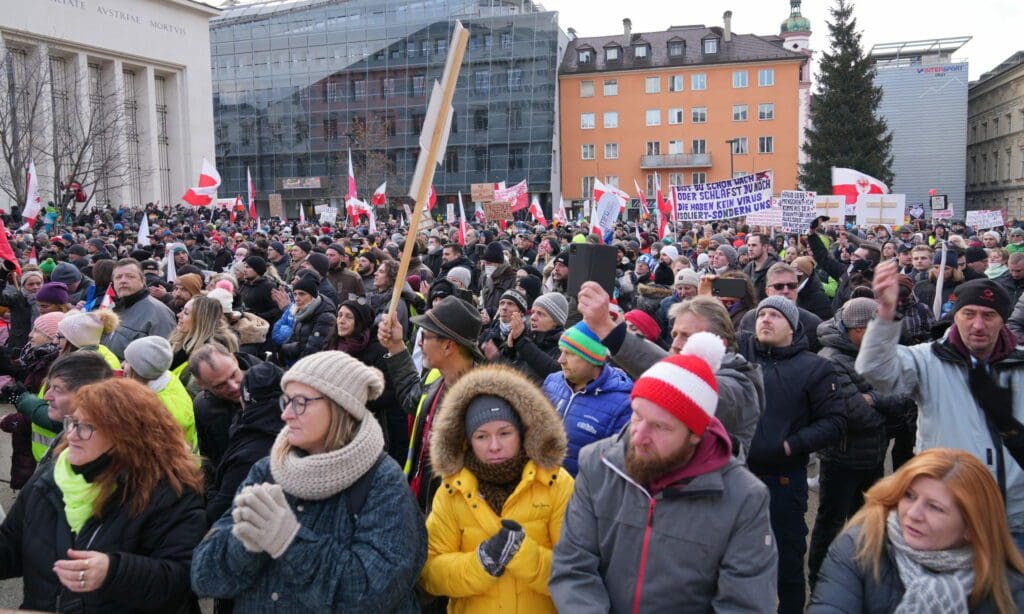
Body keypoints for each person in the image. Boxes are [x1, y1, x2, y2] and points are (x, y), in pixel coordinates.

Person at [550, 333, 777, 612]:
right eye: (637, 415)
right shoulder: (597, 464)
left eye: (660, 426)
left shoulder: (745, 498)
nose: (638, 436)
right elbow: (573, 566)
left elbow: (745, 604)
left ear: (696, 434)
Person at [190, 351, 427, 612]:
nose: (285, 415)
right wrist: (244, 543)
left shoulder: (382, 483)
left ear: (340, 407)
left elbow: (373, 594)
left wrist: (289, 541)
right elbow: (205, 577)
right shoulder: (267, 470)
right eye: (286, 401)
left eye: (300, 402)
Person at [0, 378, 206, 612]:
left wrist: (113, 571)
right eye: (72, 422)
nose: (72, 435)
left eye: (86, 427)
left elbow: (185, 579)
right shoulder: (49, 479)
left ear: (126, 436)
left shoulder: (170, 491)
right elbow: (11, 548)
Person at [857, 263, 1024, 548]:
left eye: (989, 315)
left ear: (1003, 320)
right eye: (969, 314)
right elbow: (875, 370)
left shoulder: (1019, 364)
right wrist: (885, 317)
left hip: (1014, 521)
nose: (978, 325)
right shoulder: (929, 360)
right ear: (955, 315)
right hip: (948, 513)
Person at [419, 364, 573, 613]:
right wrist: (480, 564)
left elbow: (575, 571)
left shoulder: (556, 483)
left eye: (504, 433)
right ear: (468, 440)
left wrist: (525, 556)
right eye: (482, 436)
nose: (494, 446)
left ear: (521, 432)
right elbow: (430, 573)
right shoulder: (452, 489)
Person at [809, 448, 1024, 613]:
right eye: (909, 496)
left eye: (935, 507)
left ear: (971, 526)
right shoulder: (859, 547)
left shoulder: (1008, 586)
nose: (913, 514)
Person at [740, 295, 846, 614]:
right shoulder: (740, 356)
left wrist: (792, 444)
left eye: (775, 315)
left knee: (786, 562)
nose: (765, 319)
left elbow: (835, 421)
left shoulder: (815, 367)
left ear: (792, 327)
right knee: (737, 558)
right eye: (762, 314)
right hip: (737, 476)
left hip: (783, 482)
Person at [579, 282, 764, 459]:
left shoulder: (741, 386)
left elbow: (694, 385)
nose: (675, 344)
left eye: (686, 336)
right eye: (675, 334)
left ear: (718, 343)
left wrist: (611, 332)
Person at [808, 297, 915, 588]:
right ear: (856, 330)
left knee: (869, 523)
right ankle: (819, 582)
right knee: (831, 524)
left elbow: (904, 396)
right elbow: (856, 415)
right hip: (841, 460)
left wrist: (875, 398)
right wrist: (886, 408)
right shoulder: (831, 359)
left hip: (873, 456)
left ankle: (863, 582)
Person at [379, 295, 483, 511]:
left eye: (425, 336)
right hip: (419, 502)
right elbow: (411, 399)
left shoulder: (481, 403)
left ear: (447, 346)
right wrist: (396, 346)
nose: (419, 342)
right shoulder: (436, 377)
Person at [541, 322, 633, 476]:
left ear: (592, 358)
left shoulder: (622, 404)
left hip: (581, 490)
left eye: (569, 353)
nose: (560, 360)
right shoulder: (552, 382)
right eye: (561, 351)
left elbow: (616, 470)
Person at [203, 361, 284, 524]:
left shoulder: (249, 455)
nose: (233, 387)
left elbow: (218, 512)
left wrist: (206, 484)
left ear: (245, 398)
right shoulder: (297, 427)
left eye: (234, 375)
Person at [326, 299, 404, 463]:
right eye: (340, 315)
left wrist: (357, 400)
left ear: (360, 322)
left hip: (369, 425)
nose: (341, 320)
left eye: (348, 317)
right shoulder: (331, 344)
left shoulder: (377, 350)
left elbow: (390, 392)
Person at [189, 343, 263, 474]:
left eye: (233, 375)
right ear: (201, 385)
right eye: (220, 385)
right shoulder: (204, 408)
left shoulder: (269, 381)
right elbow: (211, 458)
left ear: (234, 359)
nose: (234, 387)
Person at [122, 336, 199, 454]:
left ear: (140, 370)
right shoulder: (166, 377)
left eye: (128, 362)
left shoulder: (159, 411)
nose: (122, 365)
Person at [738, 262, 824, 352]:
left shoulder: (813, 323)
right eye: (779, 286)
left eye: (791, 286)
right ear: (767, 291)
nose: (786, 291)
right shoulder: (750, 318)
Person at [102, 258, 176, 359]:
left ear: (143, 281)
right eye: (118, 277)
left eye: (130, 276)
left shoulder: (159, 313)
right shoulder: (112, 309)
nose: (123, 281)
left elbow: (162, 358)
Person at [502, 291, 567, 383]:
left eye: (540, 314)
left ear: (555, 322)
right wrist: (510, 350)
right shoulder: (528, 336)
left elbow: (554, 371)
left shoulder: (563, 346)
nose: (533, 317)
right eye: (533, 312)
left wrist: (521, 341)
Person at [277, 274, 335, 365]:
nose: (297, 298)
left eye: (302, 294)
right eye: (295, 294)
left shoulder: (325, 317)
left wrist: (296, 348)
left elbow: (313, 351)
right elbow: (292, 339)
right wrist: (284, 350)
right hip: (296, 362)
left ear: (313, 296)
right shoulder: (301, 312)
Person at [238, 256, 283, 327]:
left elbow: (277, 309)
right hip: (244, 326)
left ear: (257, 269)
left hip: (260, 328)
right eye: (245, 267)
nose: (245, 270)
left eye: (248, 267)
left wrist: (257, 316)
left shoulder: (268, 286)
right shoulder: (245, 285)